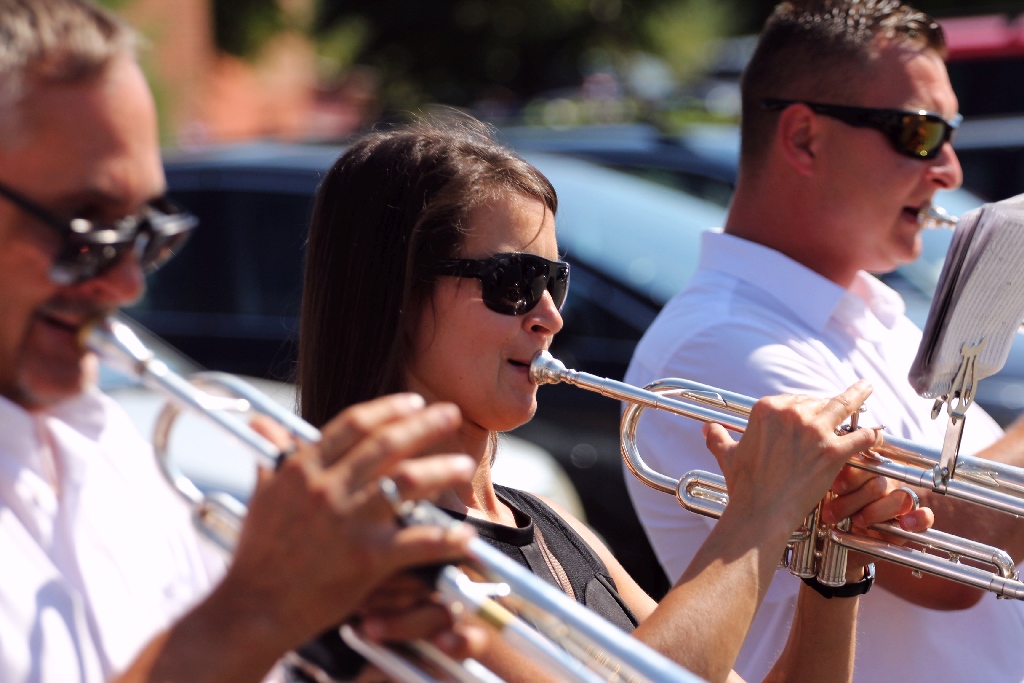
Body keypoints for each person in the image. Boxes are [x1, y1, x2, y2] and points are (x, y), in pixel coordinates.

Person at [295, 114, 933, 683]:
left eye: (555, 281)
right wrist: (759, 514)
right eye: (515, 282)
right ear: (397, 296)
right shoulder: (382, 551)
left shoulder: (548, 524)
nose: (550, 316)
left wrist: (833, 564)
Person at [0, 2, 482, 682]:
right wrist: (257, 605)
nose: (129, 282)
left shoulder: (107, 444)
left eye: (146, 229)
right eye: (88, 228)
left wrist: (363, 648)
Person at [625, 1, 1024, 681]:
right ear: (805, 137)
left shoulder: (870, 314)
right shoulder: (719, 342)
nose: (951, 170)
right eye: (921, 133)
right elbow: (949, 561)